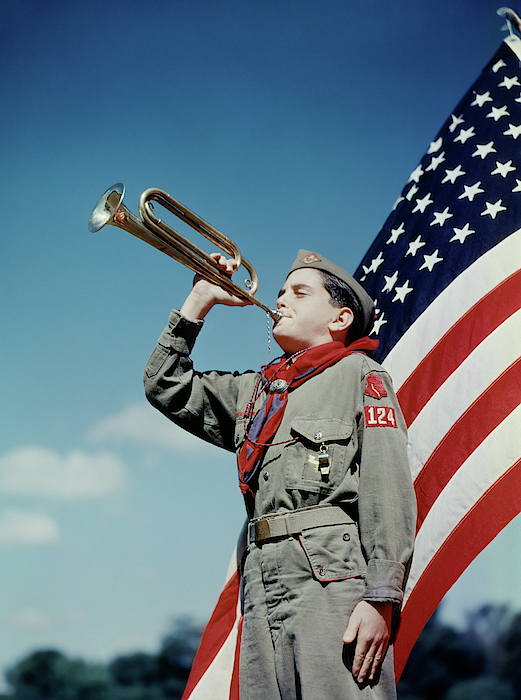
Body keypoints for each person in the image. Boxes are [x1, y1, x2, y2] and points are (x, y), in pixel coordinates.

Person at [144, 249, 416, 700]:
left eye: (299, 292)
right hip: (262, 577)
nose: (282, 300)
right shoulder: (255, 392)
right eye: (281, 292)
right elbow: (166, 385)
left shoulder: (359, 374)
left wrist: (381, 596)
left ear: (340, 318)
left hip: (330, 580)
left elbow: (386, 488)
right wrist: (199, 300)